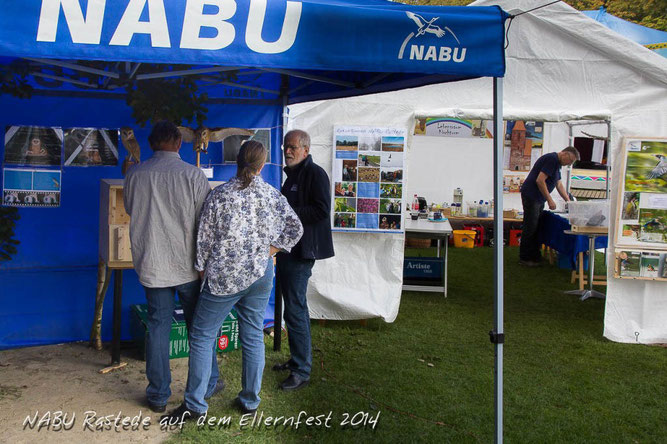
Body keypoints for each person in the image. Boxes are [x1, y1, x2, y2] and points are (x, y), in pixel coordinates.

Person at [162, 141, 303, 420]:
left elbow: (203, 240)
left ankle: (195, 405)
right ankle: (250, 400)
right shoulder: (272, 195)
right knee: (252, 335)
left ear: (237, 161)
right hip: (260, 274)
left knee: (202, 336)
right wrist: (271, 250)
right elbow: (295, 227)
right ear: (262, 166)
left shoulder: (220, 196)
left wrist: (201, 268)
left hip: (224, 278)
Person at [123, 120, 220, 413]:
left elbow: (129, 208)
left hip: (152, 261)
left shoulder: (135, 174)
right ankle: (209, 383)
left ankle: (157, 395)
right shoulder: (193, 175)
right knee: (199, 328)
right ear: (179, 143)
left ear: (152, 143)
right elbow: (206, 221)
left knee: (158, 326)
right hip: (188, 263)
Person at [273, 129, 334, 391]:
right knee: (293, 306)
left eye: (293, 147)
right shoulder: (293, 175)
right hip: (289, 250)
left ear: (306, 150)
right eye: (286, 146)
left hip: (302, 252)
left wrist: (287, 213)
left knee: (295, 308)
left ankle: (301, 370)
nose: (288, 151)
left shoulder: (315, 174)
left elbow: (321, 210)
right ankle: (297, 359)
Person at [519, 146, 579, 267]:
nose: (569, 164)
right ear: (565, 154)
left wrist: (568, 200)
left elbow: (559, 184)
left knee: (536, 226)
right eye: (570, 160)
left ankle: (534, 255)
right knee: (530, 227)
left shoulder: (557, 164)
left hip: (537, 198)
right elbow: (540, 180)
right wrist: (550, 200)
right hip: (532, 196)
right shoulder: (552, 159)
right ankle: (525, 258)